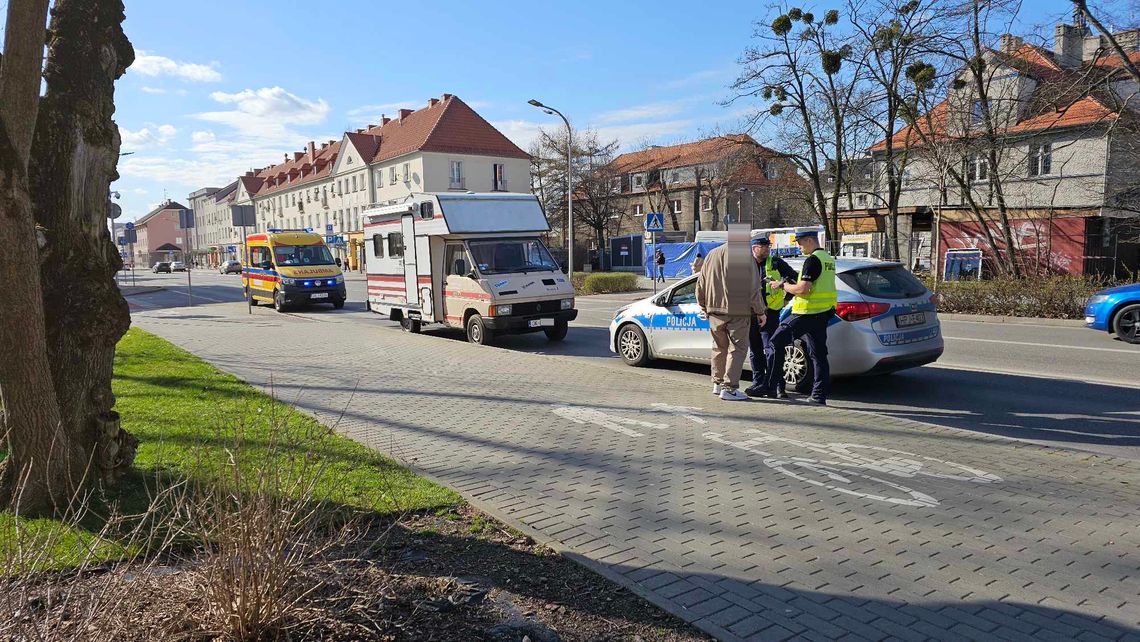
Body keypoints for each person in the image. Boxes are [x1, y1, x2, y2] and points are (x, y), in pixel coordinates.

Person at [758, 230, 837, 405]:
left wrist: (782, 285)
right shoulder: (828, 259)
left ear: (809, 240)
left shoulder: (812, 260)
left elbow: (803, 289)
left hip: (805, 313)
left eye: (800, 242)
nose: (798, 246)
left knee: (775, 342)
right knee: (819, 355)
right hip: (822, 313)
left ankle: (770, 386)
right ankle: (818, 395)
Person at [696, 241, 766, 401]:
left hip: (714, 310)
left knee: (718, 347)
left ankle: (717, 383)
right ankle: (729, 389)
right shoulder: (745, 257)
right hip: (738, 311)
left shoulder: (712, 254)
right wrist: (760, 312)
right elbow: (754, 289)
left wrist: (704, 305)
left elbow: (701, 284)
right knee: (737, 349)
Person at [744, 237, 799, 399]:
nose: (767, 249)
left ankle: (776, 386)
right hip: (751, 313)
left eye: (768, 246)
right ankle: (758, 382)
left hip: (770, 314)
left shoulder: (776, 262)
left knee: (772, 350)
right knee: (755, 350)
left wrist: (786, 299)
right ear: (754, 248)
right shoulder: (745, 264)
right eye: (763, 246)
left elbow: (793, 278)